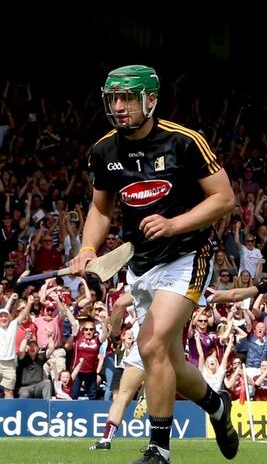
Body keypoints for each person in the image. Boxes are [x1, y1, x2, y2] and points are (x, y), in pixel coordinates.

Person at [68, 65, 238, 464]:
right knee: (169, 363)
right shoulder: (104, 150)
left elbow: (224, 198)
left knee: (150, 345)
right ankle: (217, 407)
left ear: (150, 99)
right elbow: (100, 208)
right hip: (140, 264)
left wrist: (174, 223)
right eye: (114, 99)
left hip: (188, 255)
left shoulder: (184, 142)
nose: (120, 107)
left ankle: (158, 451)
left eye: (127, 98)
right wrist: (89, 248)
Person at [89, 282, 267, 451]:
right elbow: (232, 294)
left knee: (125, 394)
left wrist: (114, 334)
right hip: (169, 348)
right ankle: (214, 408)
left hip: (145, 345)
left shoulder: (147, 283)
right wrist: (257, 289)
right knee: (176, 386)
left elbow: (120, 303)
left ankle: (107, 439)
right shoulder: (188, 285)